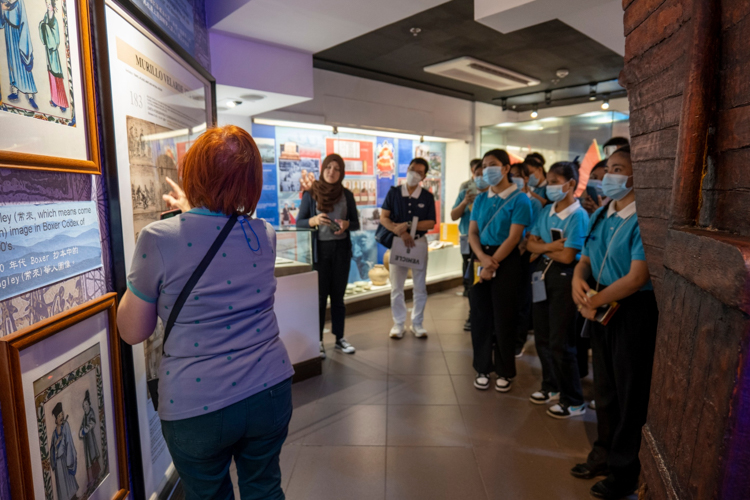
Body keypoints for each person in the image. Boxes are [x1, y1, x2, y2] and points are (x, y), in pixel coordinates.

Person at [117, 126, 294, 499]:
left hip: (196, 404)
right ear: (252, 181)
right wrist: (195, 210)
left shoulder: (156, 238)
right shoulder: (265, 234)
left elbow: (133, 331)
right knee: (265, 487)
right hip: (270, 388)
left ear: (192, 172)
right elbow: (217, 241)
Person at [570, 146, 658, 499]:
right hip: (601, 300)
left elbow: (638, 277)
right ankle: (603, 452)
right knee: (604, 388)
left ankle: (625, 471)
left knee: (629, 390)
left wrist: (594, 300)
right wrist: (579, 278)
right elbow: (586, 256)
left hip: (633, 308)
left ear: (639, 175)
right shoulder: (603, 213)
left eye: (619, 168)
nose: (609, 177)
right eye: (608, 169)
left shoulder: (645, 219)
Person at [526, 162, 589, 418]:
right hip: (543, 277)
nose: (550, 186)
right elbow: (531, 244)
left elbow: (568, 257)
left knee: (561, 342)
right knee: (542, 337)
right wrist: (550, 247)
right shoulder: (547, 210)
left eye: (555, 181)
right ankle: (550, 386)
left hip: (565, 281)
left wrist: (544, 247)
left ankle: (573, 399)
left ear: (570, 184)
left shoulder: (579, 216)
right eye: (549, 181)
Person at [469, 149, 532, 392]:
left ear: (506, 168)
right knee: (480, 315)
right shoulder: (481, 199)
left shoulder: (520, 199)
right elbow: (473, 232)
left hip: (506, 260)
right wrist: (483, 259)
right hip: (481, 257)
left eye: (493, 165)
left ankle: (505, 371)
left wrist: (492, 262)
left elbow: (515, 237)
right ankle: (482, 368)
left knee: (504, 317)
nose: (487, 170)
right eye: (484, 166)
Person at [297, 153, 360, 358]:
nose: (332, 172)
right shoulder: (311, 193)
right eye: (328, 168)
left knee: (339, 298)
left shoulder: (346, 195)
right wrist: (313, 220)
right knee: (320, 298)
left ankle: (340, 338)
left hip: (341, 251)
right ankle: (318, 341)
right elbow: (299, 222)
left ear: (341, 173)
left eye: (337, 169)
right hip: (320, 252)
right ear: (323, 169)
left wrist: (347, 224)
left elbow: (356, 223)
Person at [379, 158, 436, 339]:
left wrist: (409, 225)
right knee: (396, 286)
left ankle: (417, 323)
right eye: (412, 169)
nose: (414, 174)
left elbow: (431, 222)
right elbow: (384, 217)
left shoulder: (427, 196)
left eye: (419, 172)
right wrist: (399, 231)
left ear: (424, 176)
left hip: (418, 243)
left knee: (420, 286)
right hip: (398, 243)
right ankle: (398, 323)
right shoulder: (394, 192)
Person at [509, 162, 543, 357]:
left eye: (517, 175)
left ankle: (518, 341)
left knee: (523, 300)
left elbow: (532, 234)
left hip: (526, 258)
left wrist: (521, 249)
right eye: (511, 175)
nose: (513, 178)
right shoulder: (509, 199)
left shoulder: (535, 203)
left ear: (526, 179)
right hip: (507, 256)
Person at [451, 160, 487, 330]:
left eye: (482, 173)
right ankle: (473, 315)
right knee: (471, 274)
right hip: (468, 239)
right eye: (476, 173)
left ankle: (484, 316)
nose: (479, 177)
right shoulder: (466, 191)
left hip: (487, 244)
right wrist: (465, 202)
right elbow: (453, 215)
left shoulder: (492, 194)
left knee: (484, 279)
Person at [1, 0, 38, 109]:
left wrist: (24, 43)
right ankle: (14, 91)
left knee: (23, 63)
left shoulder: (19, 2)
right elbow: (2, 21)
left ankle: (30, 96)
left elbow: (24, 21)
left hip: (19, 36)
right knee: (11, 63)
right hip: (9, 34)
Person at [39, 0, 69, 112]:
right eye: (47, 3)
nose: (48, 6)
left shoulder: (55, 21)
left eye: (50, 4)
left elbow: (56, 40)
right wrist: (43, 25)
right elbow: (42, 26)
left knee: (57, 76)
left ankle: (62, 103)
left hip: (54, 53)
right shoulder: (46, 16)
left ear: (53, 6)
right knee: (51, 75)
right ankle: (55, 100)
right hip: (48, 51)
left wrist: (45, 26)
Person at [50, 402, 78, 500]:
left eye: (62, 414)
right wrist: (56, 444)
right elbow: (52, 450)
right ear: (56, 420)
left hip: (65, 458)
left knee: (69, 479)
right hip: (58, 463)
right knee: (62, 482)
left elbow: (69, 441)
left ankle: (73, 496)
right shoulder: (54, 434)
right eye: (59, 416)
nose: (61, 417)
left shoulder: (65, 426)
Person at [79, 390, 102, 488]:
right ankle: (91, 479)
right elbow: (82, 426)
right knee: (88, 461)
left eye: (86, 405)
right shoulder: (84, 416)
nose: (85, 407)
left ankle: (97, 476)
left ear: (89, 404)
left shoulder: (91, 412)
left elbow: (93, 423)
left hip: (91, 441)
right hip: (86, 443)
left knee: (93, 458)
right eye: (83, 406)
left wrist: (86, 429)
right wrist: (81, 431)